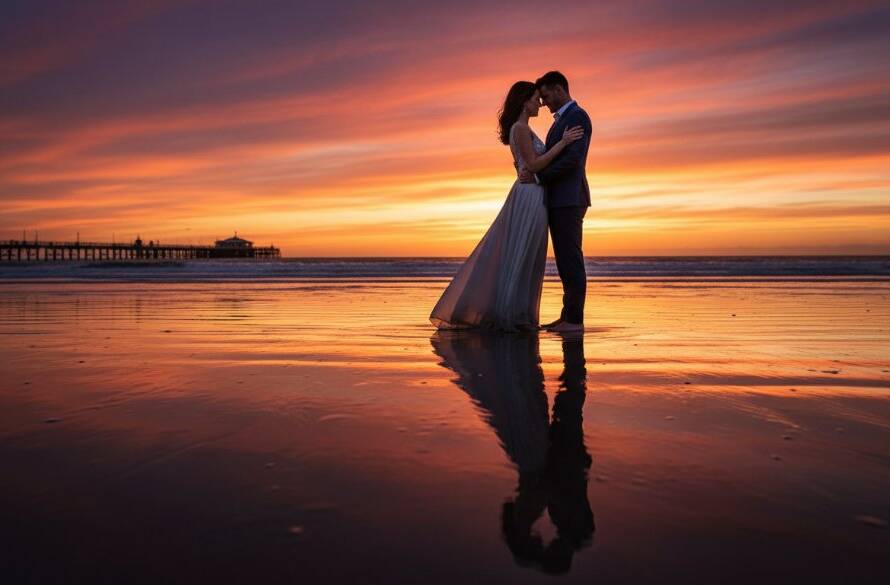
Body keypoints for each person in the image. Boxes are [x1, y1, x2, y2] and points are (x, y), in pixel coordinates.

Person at [430, 80, 584, 331]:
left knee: (528, 254)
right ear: (524, 102)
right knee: (522, 252)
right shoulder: (520, 129)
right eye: (536, 98)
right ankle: (512, 315)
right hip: (529, 195)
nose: (540, 103)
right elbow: (533, 165)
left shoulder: (522, 128)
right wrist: (563, 143)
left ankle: (519, 313)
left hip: (534, 193)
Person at [519, 71, 592, 333]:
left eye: (547, 96)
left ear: (559, 90)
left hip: (569, 198)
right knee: (564, 260)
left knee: (571, 259)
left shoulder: (577, 117)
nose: (544, 102)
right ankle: (567, 316)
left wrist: (538, 177)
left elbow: (571, 160)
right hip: (559, 198)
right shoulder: (562, 120)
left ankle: (574, 320)